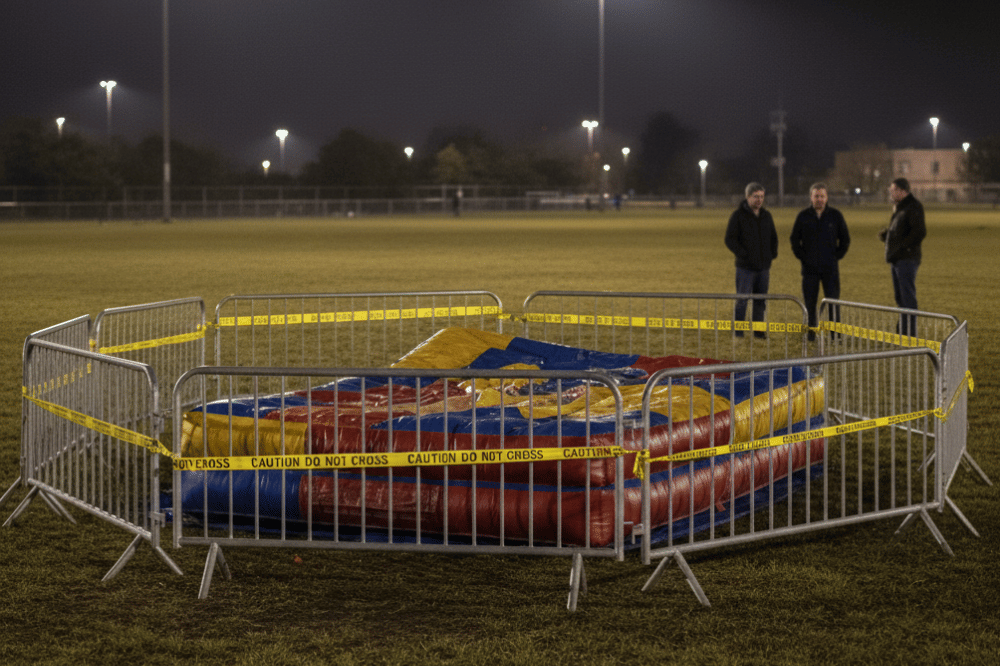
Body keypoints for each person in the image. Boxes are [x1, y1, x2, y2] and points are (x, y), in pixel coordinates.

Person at [790, 183, 851, 341]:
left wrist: (835, 257)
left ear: (827, 197)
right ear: (811, 197)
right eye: (816, 196)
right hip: (809, 269)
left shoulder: (835, 216)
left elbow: (845, 240)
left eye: (822, 196)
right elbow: (794, 241)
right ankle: (811, 334)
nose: (819, 199)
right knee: (810, 303)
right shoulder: (803, 216)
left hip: (830, 269)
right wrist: (804, 258)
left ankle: (835, 335)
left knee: (832, 303)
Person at [725, 183, 778, 338]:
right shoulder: (738, 216)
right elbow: (730, 239)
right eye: (755, 196)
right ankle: (739, 332)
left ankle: (758, 331)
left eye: (761, 196)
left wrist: (772, 254)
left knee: (760, 301)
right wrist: (743, 255)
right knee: (742, 300)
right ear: (748, 197)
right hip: (745, 268)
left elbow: (773, 237)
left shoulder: (767, 216)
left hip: (763, 268)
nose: (759, 199)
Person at [879, 177, 926, 336]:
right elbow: (902, 230)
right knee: (900, 298)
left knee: (908, 298)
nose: (891, 193)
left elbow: (919, 232)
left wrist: (901, 246)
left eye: (892, 190)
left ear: (901, 191)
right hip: (898, 258)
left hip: (907, 259)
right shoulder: (901, 207)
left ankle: (910, 335)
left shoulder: (913, 207)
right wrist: (888, 235)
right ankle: (903, 331)